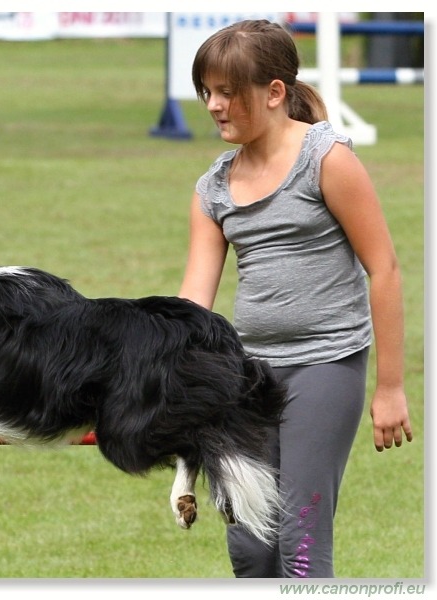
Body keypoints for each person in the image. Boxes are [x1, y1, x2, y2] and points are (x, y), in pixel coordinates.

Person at [179, 19, 413, 578]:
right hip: (246, 376)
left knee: (301, 547)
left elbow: (384, 269)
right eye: (207, 92)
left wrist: (391, 386)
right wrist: (171, 383)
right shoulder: (212, 189)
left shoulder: (326, 159)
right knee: (251, 549)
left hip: (324, 365)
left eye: (227, 92)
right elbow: (192, 305)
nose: (214, 105)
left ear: (275, 92)